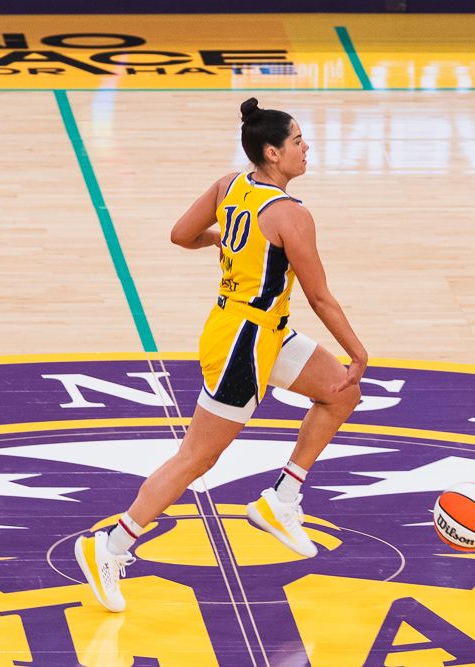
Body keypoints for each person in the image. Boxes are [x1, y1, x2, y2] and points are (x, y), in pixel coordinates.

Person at [75, 97, 368, 613]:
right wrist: (357, 350)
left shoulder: (230, 185)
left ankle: (281, 499)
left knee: (340, 393)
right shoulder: (292, 215)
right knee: (197, 457)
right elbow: (320, 297)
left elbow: (181, 235)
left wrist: (223, 240)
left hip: (258, 329)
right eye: (298, 141)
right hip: (243, 344)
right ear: (273, 153)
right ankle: (111, 546)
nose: (306, 149)